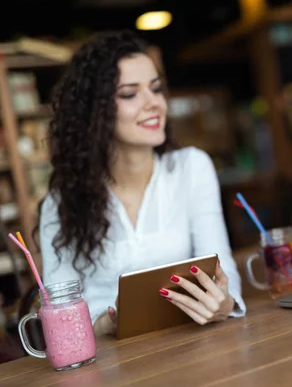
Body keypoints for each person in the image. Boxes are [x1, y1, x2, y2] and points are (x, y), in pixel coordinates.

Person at [37, 30, 246, 336]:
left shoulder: (191, 168)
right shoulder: (60, 205)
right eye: (129, 93)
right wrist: (111, 322)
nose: (154, 103)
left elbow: (224, 274)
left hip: (195, 350)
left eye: (156, 88)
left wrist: (223, 304)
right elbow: (62, 326)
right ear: (93, 112)